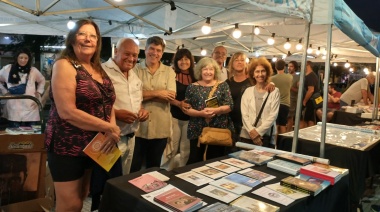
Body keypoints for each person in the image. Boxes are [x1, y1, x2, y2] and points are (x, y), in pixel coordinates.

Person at [44, 19, 121, 211]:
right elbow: (67, 112)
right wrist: (109, 127)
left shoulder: (97, 68)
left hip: (95, 145)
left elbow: (108, 101)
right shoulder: (64, 65)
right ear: (72, 39)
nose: (88, 39)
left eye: (92, 36)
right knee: (71, 204)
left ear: (98, 42)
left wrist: (111, 129)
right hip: (67, 146)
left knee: (85, 195)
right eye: (82, 34)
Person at [102, 38, 149, 175]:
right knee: (107, 181)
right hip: (109, 139)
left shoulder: (135, 76)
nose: (131, 58)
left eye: (134, 55)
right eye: (127, 54)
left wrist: (142, 111)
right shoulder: (103, 71)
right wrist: (116, 114)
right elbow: (93, 106)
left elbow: (138, 101)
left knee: (122, 180)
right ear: (116, 51)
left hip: (131, 138)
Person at [131, 36, 176, 172]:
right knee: (134, 166)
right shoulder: (135, 69)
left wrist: (144, 94)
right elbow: (132, 94)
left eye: (158, 50)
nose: (154, 53)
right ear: (145, 50)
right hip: (138, 128)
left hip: (160, 128)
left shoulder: (169, 71)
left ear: (162, 53)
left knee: (154, 167)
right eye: (152, 48)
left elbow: (170, 96)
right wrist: (158, 93)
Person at [183, 57, 234, 164]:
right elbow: (186, 109)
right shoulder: (192, 87)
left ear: (215, 71)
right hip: (197, 130)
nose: (208, 72)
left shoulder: (222, 85)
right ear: (199, 70)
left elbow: (230, 106)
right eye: (205, 69)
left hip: (217, 130)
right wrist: (200, 113)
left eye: (211, 69)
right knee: (195, 161)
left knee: (215, 161)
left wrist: (216, 110)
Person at [164, 48, 196, 170]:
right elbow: (167, 96)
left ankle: (182, 173)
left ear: (190, 61)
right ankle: (167, 172)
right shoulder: (172, 74)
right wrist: (179, 104)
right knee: (172, 147)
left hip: (190, 118)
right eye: (180, 59)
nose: (183, 62)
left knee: (186, 149)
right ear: (176, 61)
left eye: (186, 59)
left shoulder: (195, 76)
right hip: (174, 116)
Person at [240, 57, 280, 148]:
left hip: (265, 136)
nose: (260, 74)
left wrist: (258, 132)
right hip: (247, 135)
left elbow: (273, 115)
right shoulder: (248, 91)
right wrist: (252, 132)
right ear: (253, 74)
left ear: (267, 73)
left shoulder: (274, 91)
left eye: (263, 71)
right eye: (257, 71)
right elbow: (244, 114)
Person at [0, 48, 46, 127]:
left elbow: (42, 80)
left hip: (30, 106)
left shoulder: (33, 70)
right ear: (16, 58)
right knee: (15, 134)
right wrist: (5, 92)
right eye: (21, 58)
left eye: (26, 58)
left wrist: (38, 92)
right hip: (14, 107)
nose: (23, 60)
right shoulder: (7, 69)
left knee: (31, 134)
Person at [226, 52, 252, 146]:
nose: (239, 62)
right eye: (236, 60)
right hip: (230, 125)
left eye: (242, 60)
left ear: (246, 63)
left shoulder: (252, 81)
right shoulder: (227, 82)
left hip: (247, 125)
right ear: (232, 63)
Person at [271, 59, 292, 135]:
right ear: (284, 67)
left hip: (275, 104)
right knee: (283, 125)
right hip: (286, 104)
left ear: (275, 68)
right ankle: (283, 144)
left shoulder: (272, 79)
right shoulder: (289, 77)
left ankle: (275, 144)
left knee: (275, 125)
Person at [301, 61, 319, 128]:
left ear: (308, 65)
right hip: (311, 101)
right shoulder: (310, 75)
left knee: (308, 119)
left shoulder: (311, 76)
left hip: (311, 101)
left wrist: (304, 101)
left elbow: (311, 90)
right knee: (308, 119)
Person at [286, 61, 300, 132]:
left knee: (289, 117)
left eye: (291, 66)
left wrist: (291, 88)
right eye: (288, 66)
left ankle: (288, 132)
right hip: (283, 99)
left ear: (295, 68)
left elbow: (299, 90)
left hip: (292, 100)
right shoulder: (285, 76)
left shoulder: (297, 77)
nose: (289, 68)